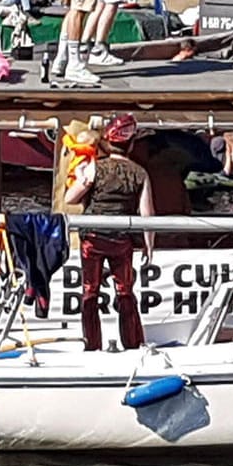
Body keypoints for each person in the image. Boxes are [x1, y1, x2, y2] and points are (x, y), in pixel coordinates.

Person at [62, 114, 153, 351]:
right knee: (125, 290)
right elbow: (147, 215)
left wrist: (81, 177)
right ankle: (132, 342)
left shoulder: (94, 168)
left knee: (90, 291)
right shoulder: (140, 173)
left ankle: (92, 344)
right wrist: (149, 245)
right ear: (131, 144)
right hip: (122, 239)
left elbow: (69, 199)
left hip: (92, 237)